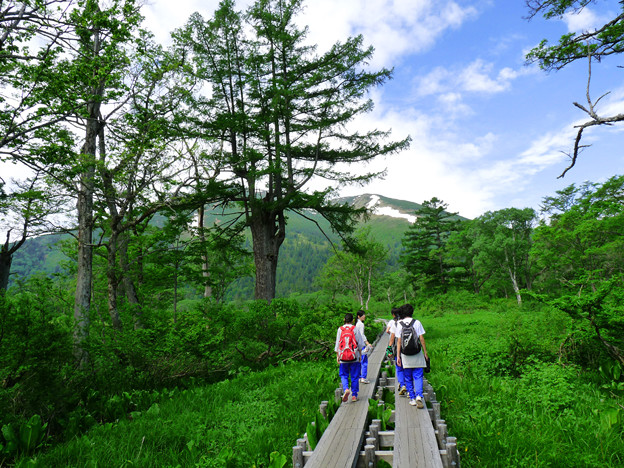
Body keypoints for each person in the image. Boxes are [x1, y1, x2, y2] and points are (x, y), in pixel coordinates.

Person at [396, 303, 428, 408]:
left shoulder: (399, 324)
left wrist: (398, 356)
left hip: (405, 355)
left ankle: (412, 399)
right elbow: (421, 339)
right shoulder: (417, 322)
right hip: (417, 353)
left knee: (408, 377)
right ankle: (419, 395)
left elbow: (399, 341)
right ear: (411, 312)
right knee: (418, 375)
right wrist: (425, 352)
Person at [335, 313, 366, 403]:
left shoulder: (340, 329)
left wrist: (338, 356)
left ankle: (346, 389)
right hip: (354, 356)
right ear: (353, 320)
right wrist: (360, 355)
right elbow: (360, 343)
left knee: (344, 375)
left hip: (343, 357)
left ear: (344, 319)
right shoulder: (355, 328)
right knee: (355, 376)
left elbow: (338, 344)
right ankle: (354, 395)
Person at [388, 307, 406, 396]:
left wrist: (389, 350)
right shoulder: (408, 323)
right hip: (409, 349)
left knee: (399, 368)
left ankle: (402, 384)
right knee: (407, 367)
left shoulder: (395, 324)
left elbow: (392, 339)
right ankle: (408, 387)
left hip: (398, 349)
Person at [355, 310, 373, 384]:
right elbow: (362, 335)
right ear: (359, 316)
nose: (364, 316)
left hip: (357, 345)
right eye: (362, 315)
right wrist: (367, 343)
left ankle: (359, 376)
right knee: (364, 361)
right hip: (362, 344)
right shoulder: (361, 324)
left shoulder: (356, 324)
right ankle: (363, 377)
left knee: (359, 361)